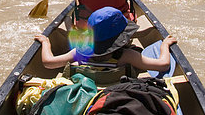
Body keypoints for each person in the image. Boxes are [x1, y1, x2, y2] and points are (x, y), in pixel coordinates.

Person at [35, 6, 177, 72]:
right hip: (116, 94)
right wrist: (165, 45)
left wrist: (45, 42)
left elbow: (48, 63)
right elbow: (163, 65)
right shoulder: (126, 55)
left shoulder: (80, 52)